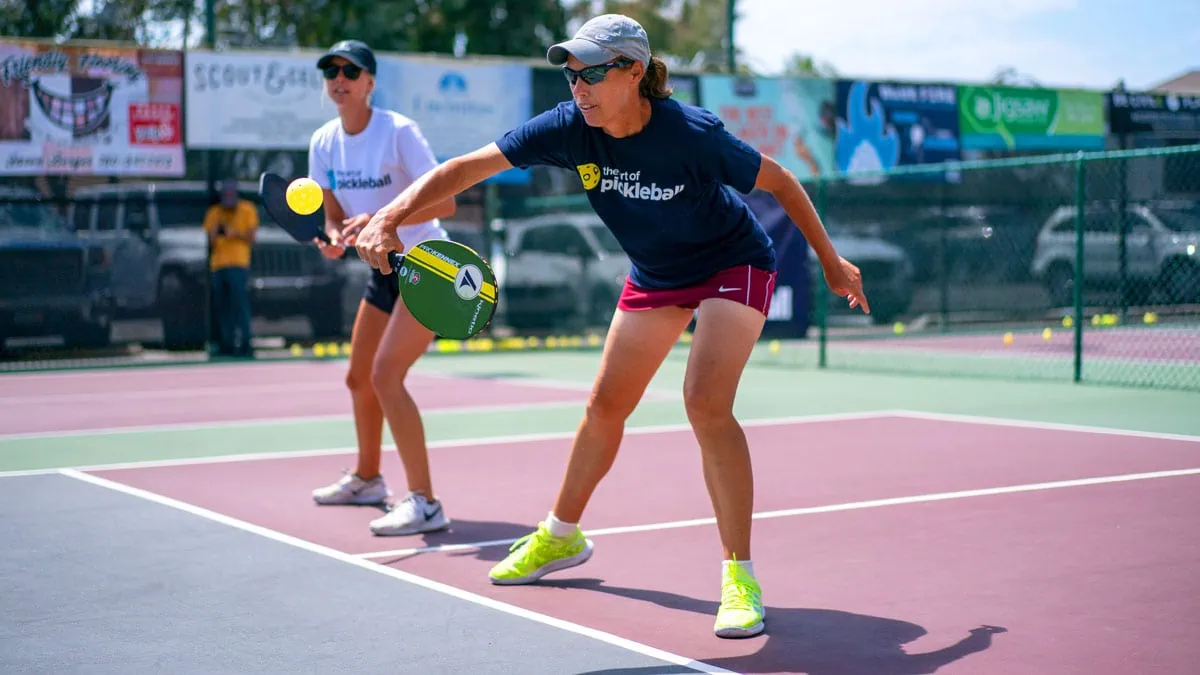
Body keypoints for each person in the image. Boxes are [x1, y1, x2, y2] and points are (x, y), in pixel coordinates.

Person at [352, 15, 869, 638]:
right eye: (572, 74)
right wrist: (389, 215)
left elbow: (781, 181)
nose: (579, 86)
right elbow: (466, 169)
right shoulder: (570, 127)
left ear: (634, 73)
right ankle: (560, 535)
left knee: (704, 402)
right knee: (604, 406)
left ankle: (739, 575)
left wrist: (832, 261)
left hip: (732, 262)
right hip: (657, 273)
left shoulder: (691, 134)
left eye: (593, 72)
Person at [305, 39, 458, 537]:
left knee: (386, 375)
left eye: (350, 70)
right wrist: (333, 237)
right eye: (331, 71)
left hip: (429, 267)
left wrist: (384, 216)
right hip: (384, 271)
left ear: (370, 82)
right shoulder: (325, 141)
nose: (339, 78)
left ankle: (426, 503)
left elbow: (447, 202)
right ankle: (369, 478)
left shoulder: (398, 133)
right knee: (358, 377)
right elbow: (332, 213)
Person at [203, 177, 258, 357]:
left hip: (239, 264)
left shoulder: (247, 209)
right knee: (222, 306)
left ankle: (245, 343)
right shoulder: (215, 212)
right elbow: (210, 239)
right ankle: (226, 344)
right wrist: (217, 228)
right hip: (218, 264)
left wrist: (234, 233)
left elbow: (251, 237)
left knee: (240, 305)